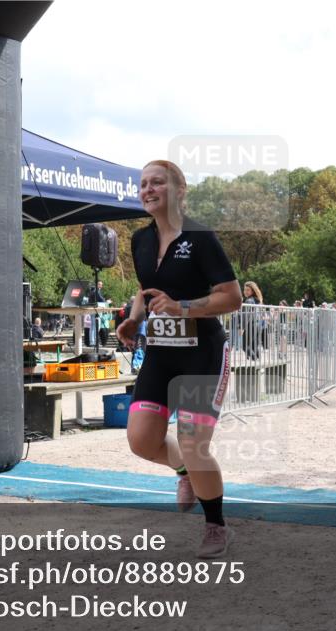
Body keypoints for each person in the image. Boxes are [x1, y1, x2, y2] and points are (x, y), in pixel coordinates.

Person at [116, 159, 242, 558]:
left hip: (203, 353)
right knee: (141, 441)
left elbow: (232, 297)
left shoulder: (200, 237)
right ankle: (185, 472)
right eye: (143, 184)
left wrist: (184, 307)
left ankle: (215, 526)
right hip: (160, 354)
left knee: (192, 442)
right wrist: (133, 321)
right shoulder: (140, 241)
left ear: (179, 191)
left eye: (158, 183)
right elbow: (146, 292)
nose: (148, 189)